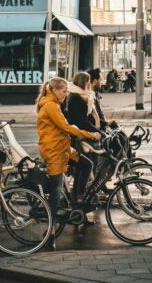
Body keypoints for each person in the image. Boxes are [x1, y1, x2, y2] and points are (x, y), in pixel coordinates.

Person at [36, 77, 100, 248]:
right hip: (54, 152)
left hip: (63, 148)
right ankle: (50, 232)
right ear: (54, 90)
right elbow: (66, 127)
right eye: (64, 91)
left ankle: (78, 201)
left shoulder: (54, 104)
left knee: (86, 164)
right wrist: (90, 134)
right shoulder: (50, 105)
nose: (66, 95)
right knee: (56, 192)